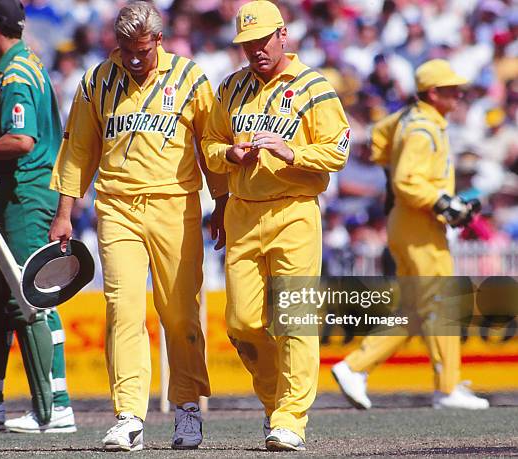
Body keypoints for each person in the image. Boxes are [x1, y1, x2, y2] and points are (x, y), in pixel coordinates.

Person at [49, 1, 228, 451]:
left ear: (159, 41)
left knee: (180, 313)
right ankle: (128, 416)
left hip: (176, 206)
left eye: (142, 50)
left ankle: (187, 408)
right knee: (122, 310)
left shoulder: (190, 78)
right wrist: (64, 212)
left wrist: (222, 203)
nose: (133, 58)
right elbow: (78, 150)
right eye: (125, 48)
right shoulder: (96, 81)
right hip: (117, 208)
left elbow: (211, 144)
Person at [202, 1, 350, 451]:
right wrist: (230, 155)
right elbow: (208, 142)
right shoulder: (230, 88)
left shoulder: (313, 86)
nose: (255, 50)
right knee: (242, 323)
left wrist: (293, 153)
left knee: (295, 320)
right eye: (246, 43)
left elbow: (339, 147)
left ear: (283, 35)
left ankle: (291, 417)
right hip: (243, 212)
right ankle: (274, 405)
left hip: (295, 211)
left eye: (262, 40)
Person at [332, 59, 490, 411]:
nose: (459, 94)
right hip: (419, 225)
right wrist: (442, 201)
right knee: (441, 303)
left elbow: (377, 139)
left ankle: (362, 369)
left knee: (418, 310)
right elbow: (406, 180)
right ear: (433, 93)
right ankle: (436, 386)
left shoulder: (410, 117)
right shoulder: (423, 128)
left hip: (406, 222)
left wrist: (391, 165)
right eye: (452, 90)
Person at [0, 0, 76, 432]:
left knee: (32, 293)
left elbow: (22, 139)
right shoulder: (20, 65)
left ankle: (56, 404)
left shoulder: (16, 73)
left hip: (25, 194)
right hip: (9, 194)